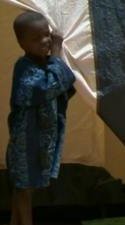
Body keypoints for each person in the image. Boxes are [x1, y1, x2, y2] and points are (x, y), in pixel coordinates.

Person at [6, 11, 76, 225]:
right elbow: (48, 87)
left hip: (39, 141)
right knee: (24, 189)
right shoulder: (24, 67)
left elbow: (67, 82)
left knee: (25, 188)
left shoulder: (45, 64)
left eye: (47, 35)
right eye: (36, 39)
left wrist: (53, 58)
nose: (45, 41)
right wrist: (56, 51)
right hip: (25, 142)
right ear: (21, 43)